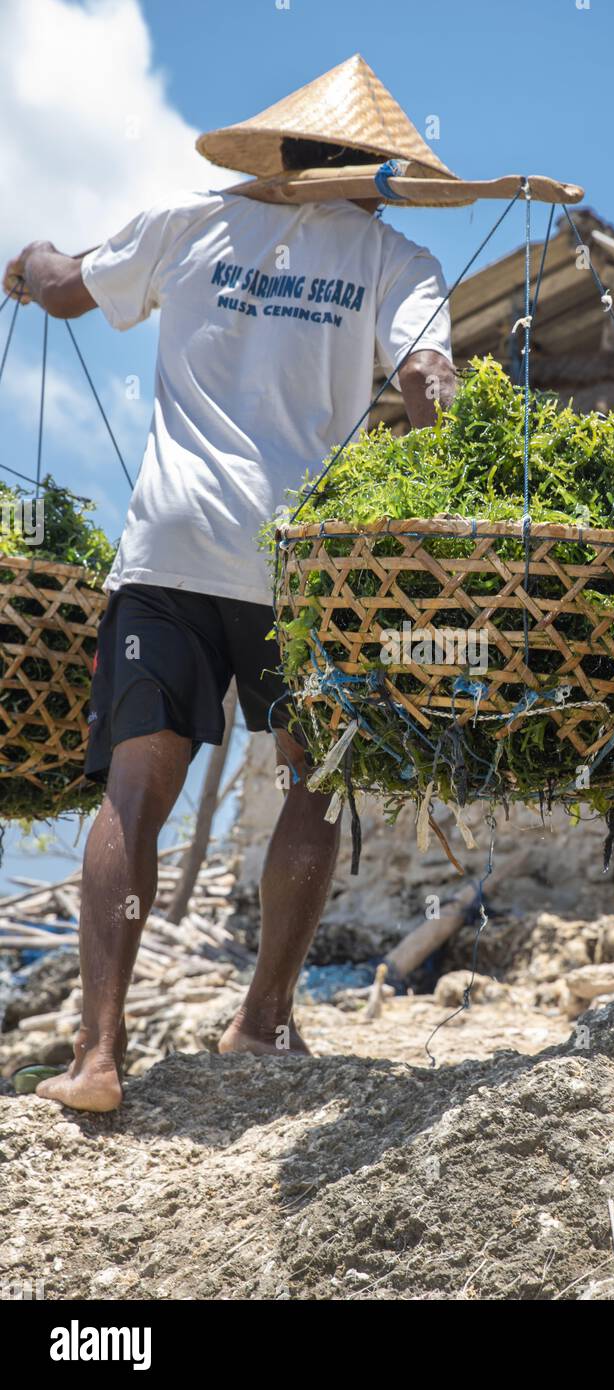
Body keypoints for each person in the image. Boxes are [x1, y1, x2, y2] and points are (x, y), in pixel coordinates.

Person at [2, 56, 455, 1111]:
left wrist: (27, 261)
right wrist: (444, 437)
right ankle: (261, 1022)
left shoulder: (186, 221)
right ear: (374, 165)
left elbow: (70, 287)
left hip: (172, 552)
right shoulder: (399, 258)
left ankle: (98, 1056)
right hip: (303, 568)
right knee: (314, 781)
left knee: (134, 794)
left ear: (282, 150)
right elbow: (429, 379)